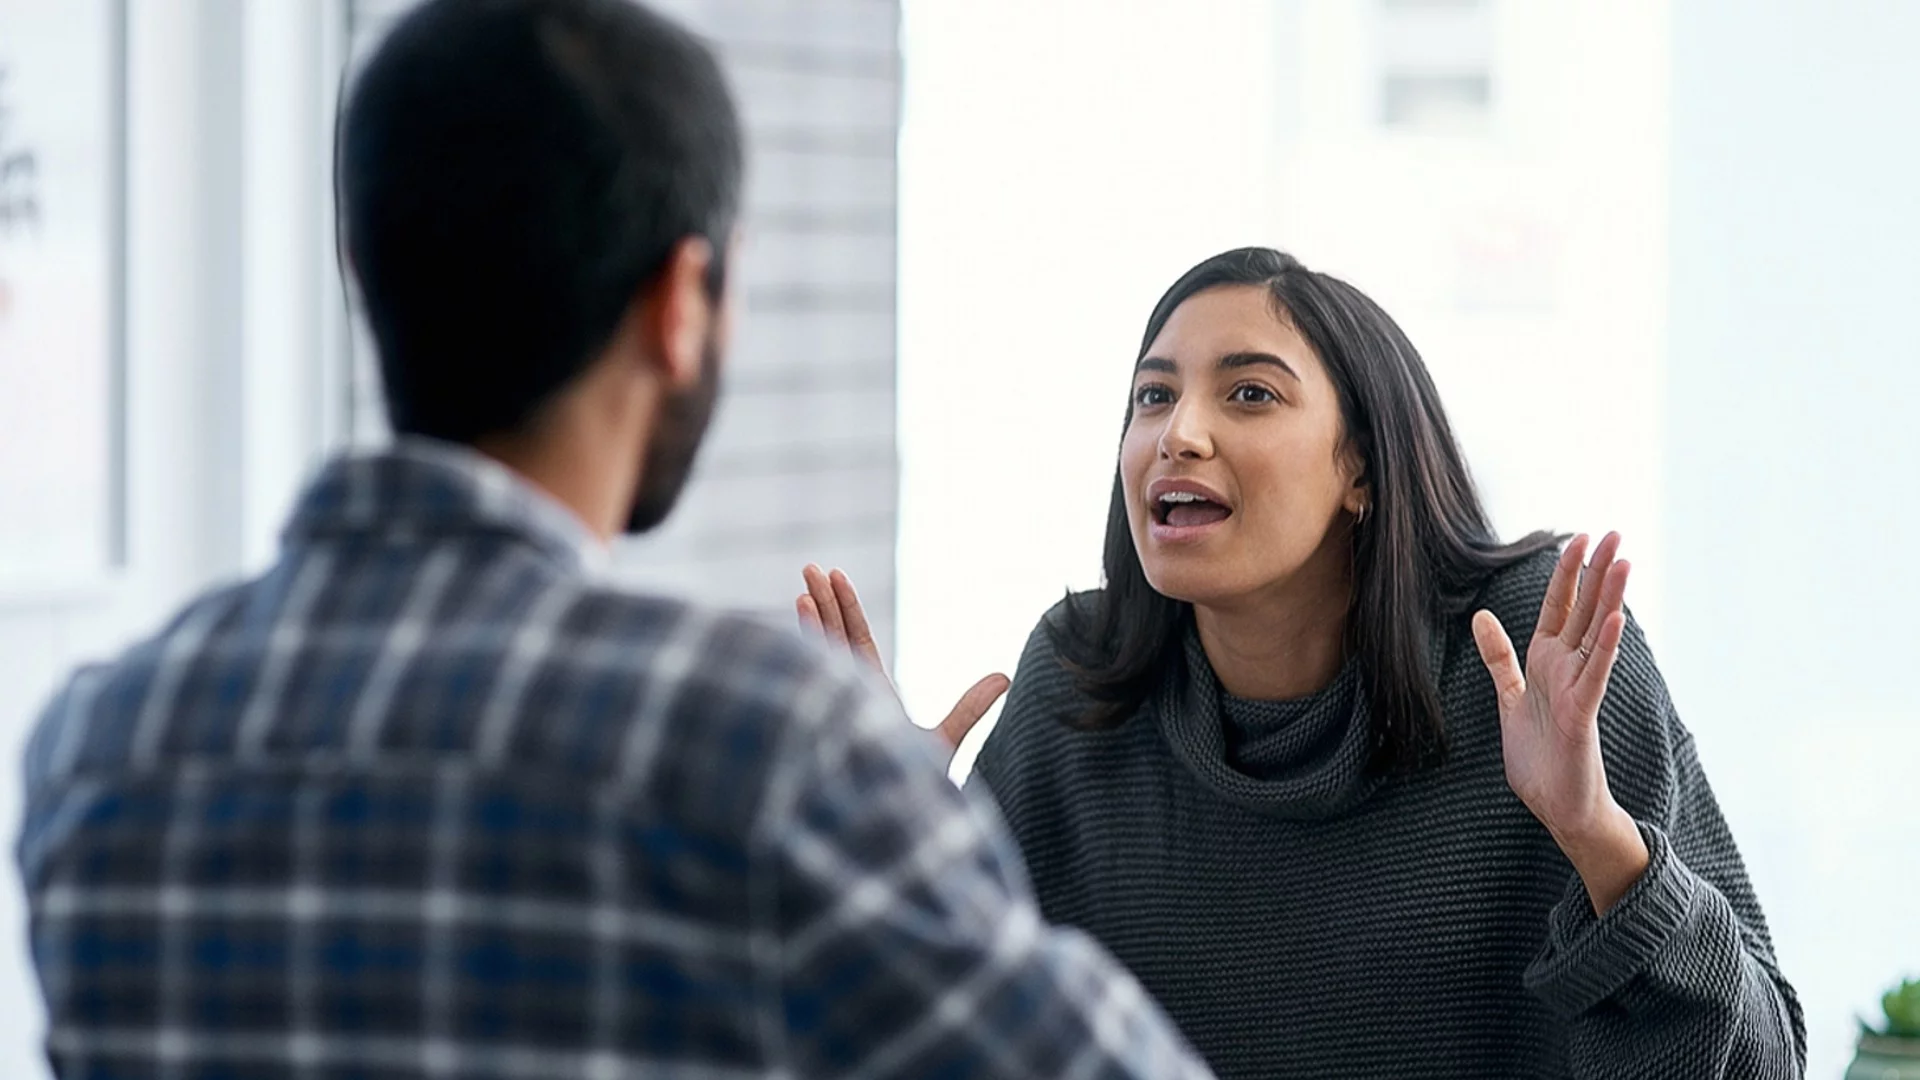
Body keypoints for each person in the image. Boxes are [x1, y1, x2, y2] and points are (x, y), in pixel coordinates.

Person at [13, 2, 1219, 1076]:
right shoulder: (759, 747)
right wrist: (908, 816)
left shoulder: (93, 749)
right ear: (678, 304)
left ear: (363, 269)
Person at [799, 247, 1807, 1078]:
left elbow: (1760, 1062)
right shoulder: (1082, 684)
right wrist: (892, 861)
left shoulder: (1532, 662)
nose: (1177, 433)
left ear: (1360, 467)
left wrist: (1594, 837)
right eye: (1153, 396)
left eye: (1248, 393)